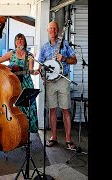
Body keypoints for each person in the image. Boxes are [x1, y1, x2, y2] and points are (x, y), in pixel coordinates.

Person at [38, 21, 77, 150]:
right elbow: (40, 67)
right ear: (47, 30)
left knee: (65, 109)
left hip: (63, 79)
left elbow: (74, 60)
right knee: (52, 109)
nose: (52, 31)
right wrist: (44, 77)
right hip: (50, 82)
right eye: (50, 29)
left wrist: (64, 58)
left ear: (58, 30)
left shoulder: (64, 44)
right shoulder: (44, 48)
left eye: (54, 28)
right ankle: (53, 137)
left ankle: (68, 138)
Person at [0, 33, 40, 134]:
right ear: (15, 42)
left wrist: (35, 72)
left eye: (22, 40)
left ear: (24, 42)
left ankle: (26, 133)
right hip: (13, 85)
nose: (20, 41)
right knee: (15, 108)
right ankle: (15, 131)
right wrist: (7, 71)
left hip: (26, 83)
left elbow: (30, 70)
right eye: (18, 40)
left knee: (28, 107)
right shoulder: (11, 54)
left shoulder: (29, 55)